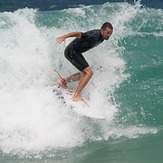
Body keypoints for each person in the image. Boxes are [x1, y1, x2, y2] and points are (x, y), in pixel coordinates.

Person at [56, 22, 113, 104]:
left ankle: (63, 82)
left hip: (76, 52)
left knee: (84, 74)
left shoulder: (102, 38)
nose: (109, 35)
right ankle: (76, 95)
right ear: (102, 30)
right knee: (89, 73)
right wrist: (65, 36)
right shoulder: (94, 35)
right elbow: (79, 34)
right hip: (71, 52)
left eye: (110, 33)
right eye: (107, 33)